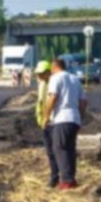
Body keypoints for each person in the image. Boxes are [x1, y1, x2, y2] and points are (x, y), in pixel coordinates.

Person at [41, 58, 88, 189]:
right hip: (74, 119)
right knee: (70, 149)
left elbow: (53, 97)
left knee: (59, 148)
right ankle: (72, 179)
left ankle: (66, 181)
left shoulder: (55, 78)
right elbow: (83, 101)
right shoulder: (75, 79)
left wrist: (46, 116)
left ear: (54, 67)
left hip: (61, 118)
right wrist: (81, 115)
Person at [34, 60, 58, 189]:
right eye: (38, 73)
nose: (39, 76)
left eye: (41, 73)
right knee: (49, 151)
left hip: (53, 121)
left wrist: (47, 117)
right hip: (44, 122)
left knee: (56, 150)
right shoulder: (42, 84)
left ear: (49, 72)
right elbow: (40, 102)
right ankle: (54, 175)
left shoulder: (54, 84)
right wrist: (40, 118)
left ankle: (57, 177)